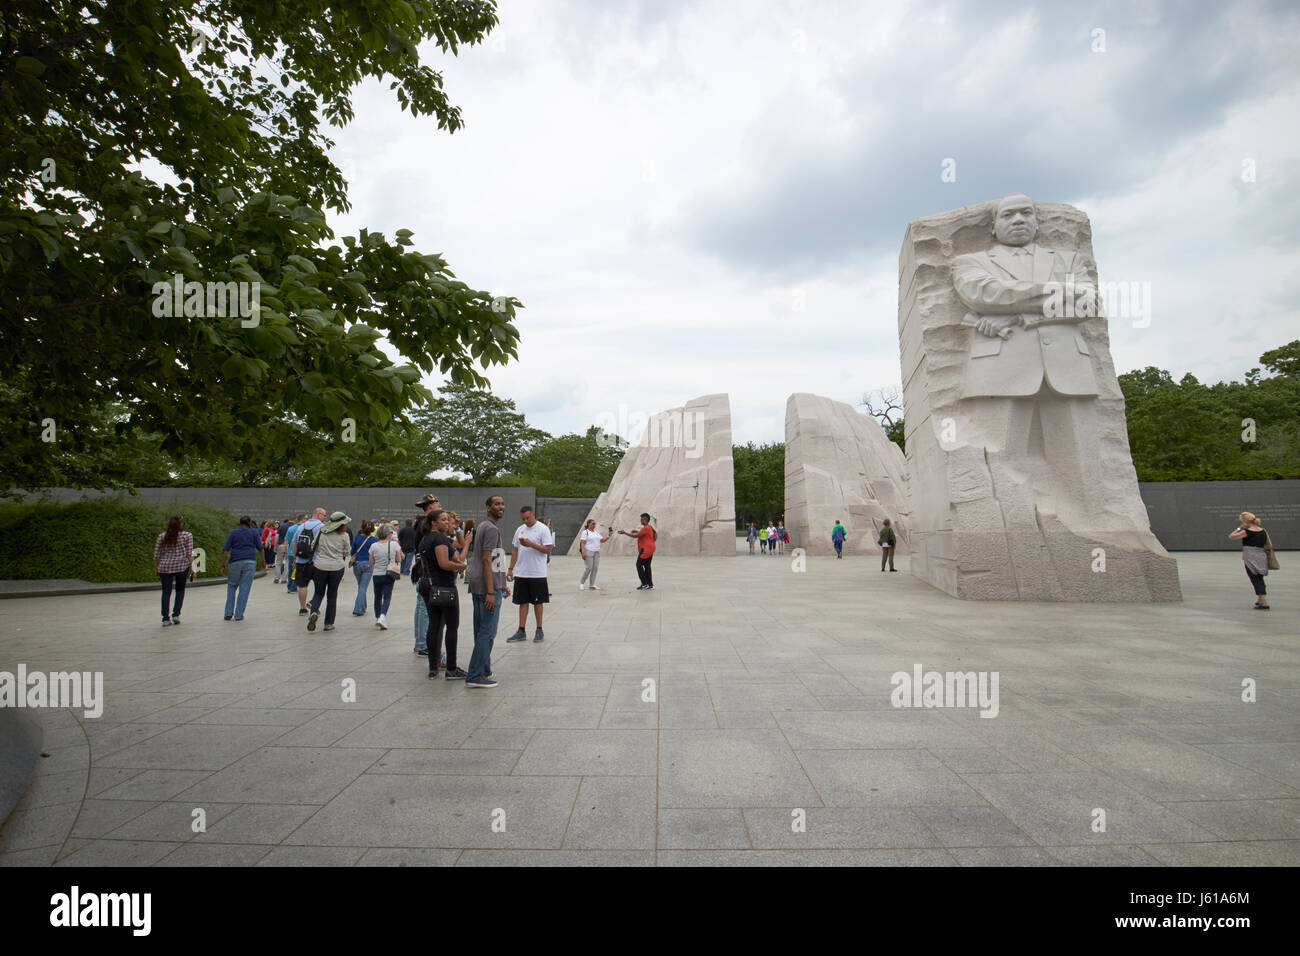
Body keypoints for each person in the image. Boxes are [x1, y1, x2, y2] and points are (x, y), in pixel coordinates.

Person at [466, 495, 508, 688]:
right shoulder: (491, 529)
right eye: (496, 504)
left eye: (502, 504)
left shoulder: (482, 526)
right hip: (486, 588)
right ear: (488, 507)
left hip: (480, 585)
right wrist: (491, 591)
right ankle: (475, 674)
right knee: (488, 631)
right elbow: (486, 560)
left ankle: (484, 668)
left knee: (480, 629)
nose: (501, 507)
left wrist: (501, 584)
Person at [419, 510, 467, 679]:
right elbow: (444, 563)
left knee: (434, 625)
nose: (447, 523)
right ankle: (451, 668)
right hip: (444, 586)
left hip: (428, 584)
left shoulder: (425, 539)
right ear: (434, 523)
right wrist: (460, 567)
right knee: (452, 626)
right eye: (444, 520)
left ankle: (433, 667)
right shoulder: (439, 539)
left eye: (448, 520)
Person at [507, 506, 553, 642]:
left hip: (537, 573)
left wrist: (531, 544)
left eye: (528, 518)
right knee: (522, 602)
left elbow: (548, 550)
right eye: (523, 519)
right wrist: (510, 569)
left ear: (533, 515)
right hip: (522, 572)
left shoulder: (543, 529)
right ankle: (521, 630)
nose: (526, 521)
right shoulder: (519, 529)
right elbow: (515, 550)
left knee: (538, 602)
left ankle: (539, 629)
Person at [307, 511, 351, 631]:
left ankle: (314, 611)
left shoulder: (322, 533)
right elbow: (347, 552)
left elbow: (313, 547)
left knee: (318, 593)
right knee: (332, 595)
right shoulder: (344, 536)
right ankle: (329, 623)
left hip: (320, 566)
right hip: (337, 567)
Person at [153, 514, 193, 626]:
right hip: (181, 567)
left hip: (164, 567)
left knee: (166, 592)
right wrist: (193, 569)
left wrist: (156, 568)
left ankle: (165, 618)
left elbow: (156, 555)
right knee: (180, 591)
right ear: (180, 524)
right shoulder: (187, 535)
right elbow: (189, 554)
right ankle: (176, 615)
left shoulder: (162, 536)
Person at [220, 515, 262, 621]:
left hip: (235, 560)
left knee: (231, 586)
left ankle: (228, 612)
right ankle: (239, 615)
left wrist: (222, 565)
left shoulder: (233, 532)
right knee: (244, 588)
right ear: (249, 523)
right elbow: (260, 548)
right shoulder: (254, 532)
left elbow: (225, 550)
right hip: (250, 560)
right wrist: (263, 562)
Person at [1229, 512, 1274, 610]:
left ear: (1245, 522)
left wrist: (1239, 528)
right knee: (1259, 577)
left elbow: (1231, 536)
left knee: (1254, 578)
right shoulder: (1262, 530)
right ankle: (1260, 599)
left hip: (1250, 557)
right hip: (1261, 556)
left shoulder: (1247, 532)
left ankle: (1264, 601)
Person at [369, 523, 402, 629]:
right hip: (389, 573)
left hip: (377, 574)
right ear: (388, 534)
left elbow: (371, 562)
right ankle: (382, 616)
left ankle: (378, 616)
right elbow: (399, 559)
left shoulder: (373, 546)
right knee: (387, 596)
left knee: (377, 596)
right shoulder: (394, 545)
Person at [292, 508, 326, 613]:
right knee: (319, 586)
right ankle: (314, 606)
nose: (325, 517)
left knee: (302, 585)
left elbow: (294, 543)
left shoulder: (301, 526)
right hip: (316, 561)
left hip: (301, 560)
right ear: (318, 514)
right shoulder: (322, 527)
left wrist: (295, 557)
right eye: (324, 515)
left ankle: (302, 608)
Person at [620, 512, 656, 590]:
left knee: (638, 565)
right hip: (651, 548)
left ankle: (644, 584)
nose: (640, 520)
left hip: (646, 549)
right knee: (647, 566)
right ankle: (650, 585)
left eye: (641, 519)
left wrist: (625, 532)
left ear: (644, 519)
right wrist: (637, 531)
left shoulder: (645, 528)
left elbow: (635, 536)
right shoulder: (649, 527)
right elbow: (642, 534)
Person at [350, 520, 378, 616]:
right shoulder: (374, 540)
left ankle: (363, 606)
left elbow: (352, 551)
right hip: (368, 564)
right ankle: (358, 608)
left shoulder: (357, 538)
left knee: (361, 586)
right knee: (363, 587)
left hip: (357, 563)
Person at [579, 519, 611, 590]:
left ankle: (592, 584)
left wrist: (608, 536)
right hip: (588, 552)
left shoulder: (596, 532)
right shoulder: (585, 532)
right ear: (588, 524)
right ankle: (582, 583)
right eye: (593, 524)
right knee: (588, 568)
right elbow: (583, 542)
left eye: (595, 524)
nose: (594, 525)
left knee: (595, 569)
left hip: (596, 553)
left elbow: (602, 540)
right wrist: (583, 552)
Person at [274, 517, 293, 583]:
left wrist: (275, 546)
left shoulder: (282, 526)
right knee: (287, 562)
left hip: (281, 545)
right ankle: (284, 579)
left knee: (278, 561)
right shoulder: (294, 527)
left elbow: (276, 536)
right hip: (290, 546)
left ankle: (277, 577)